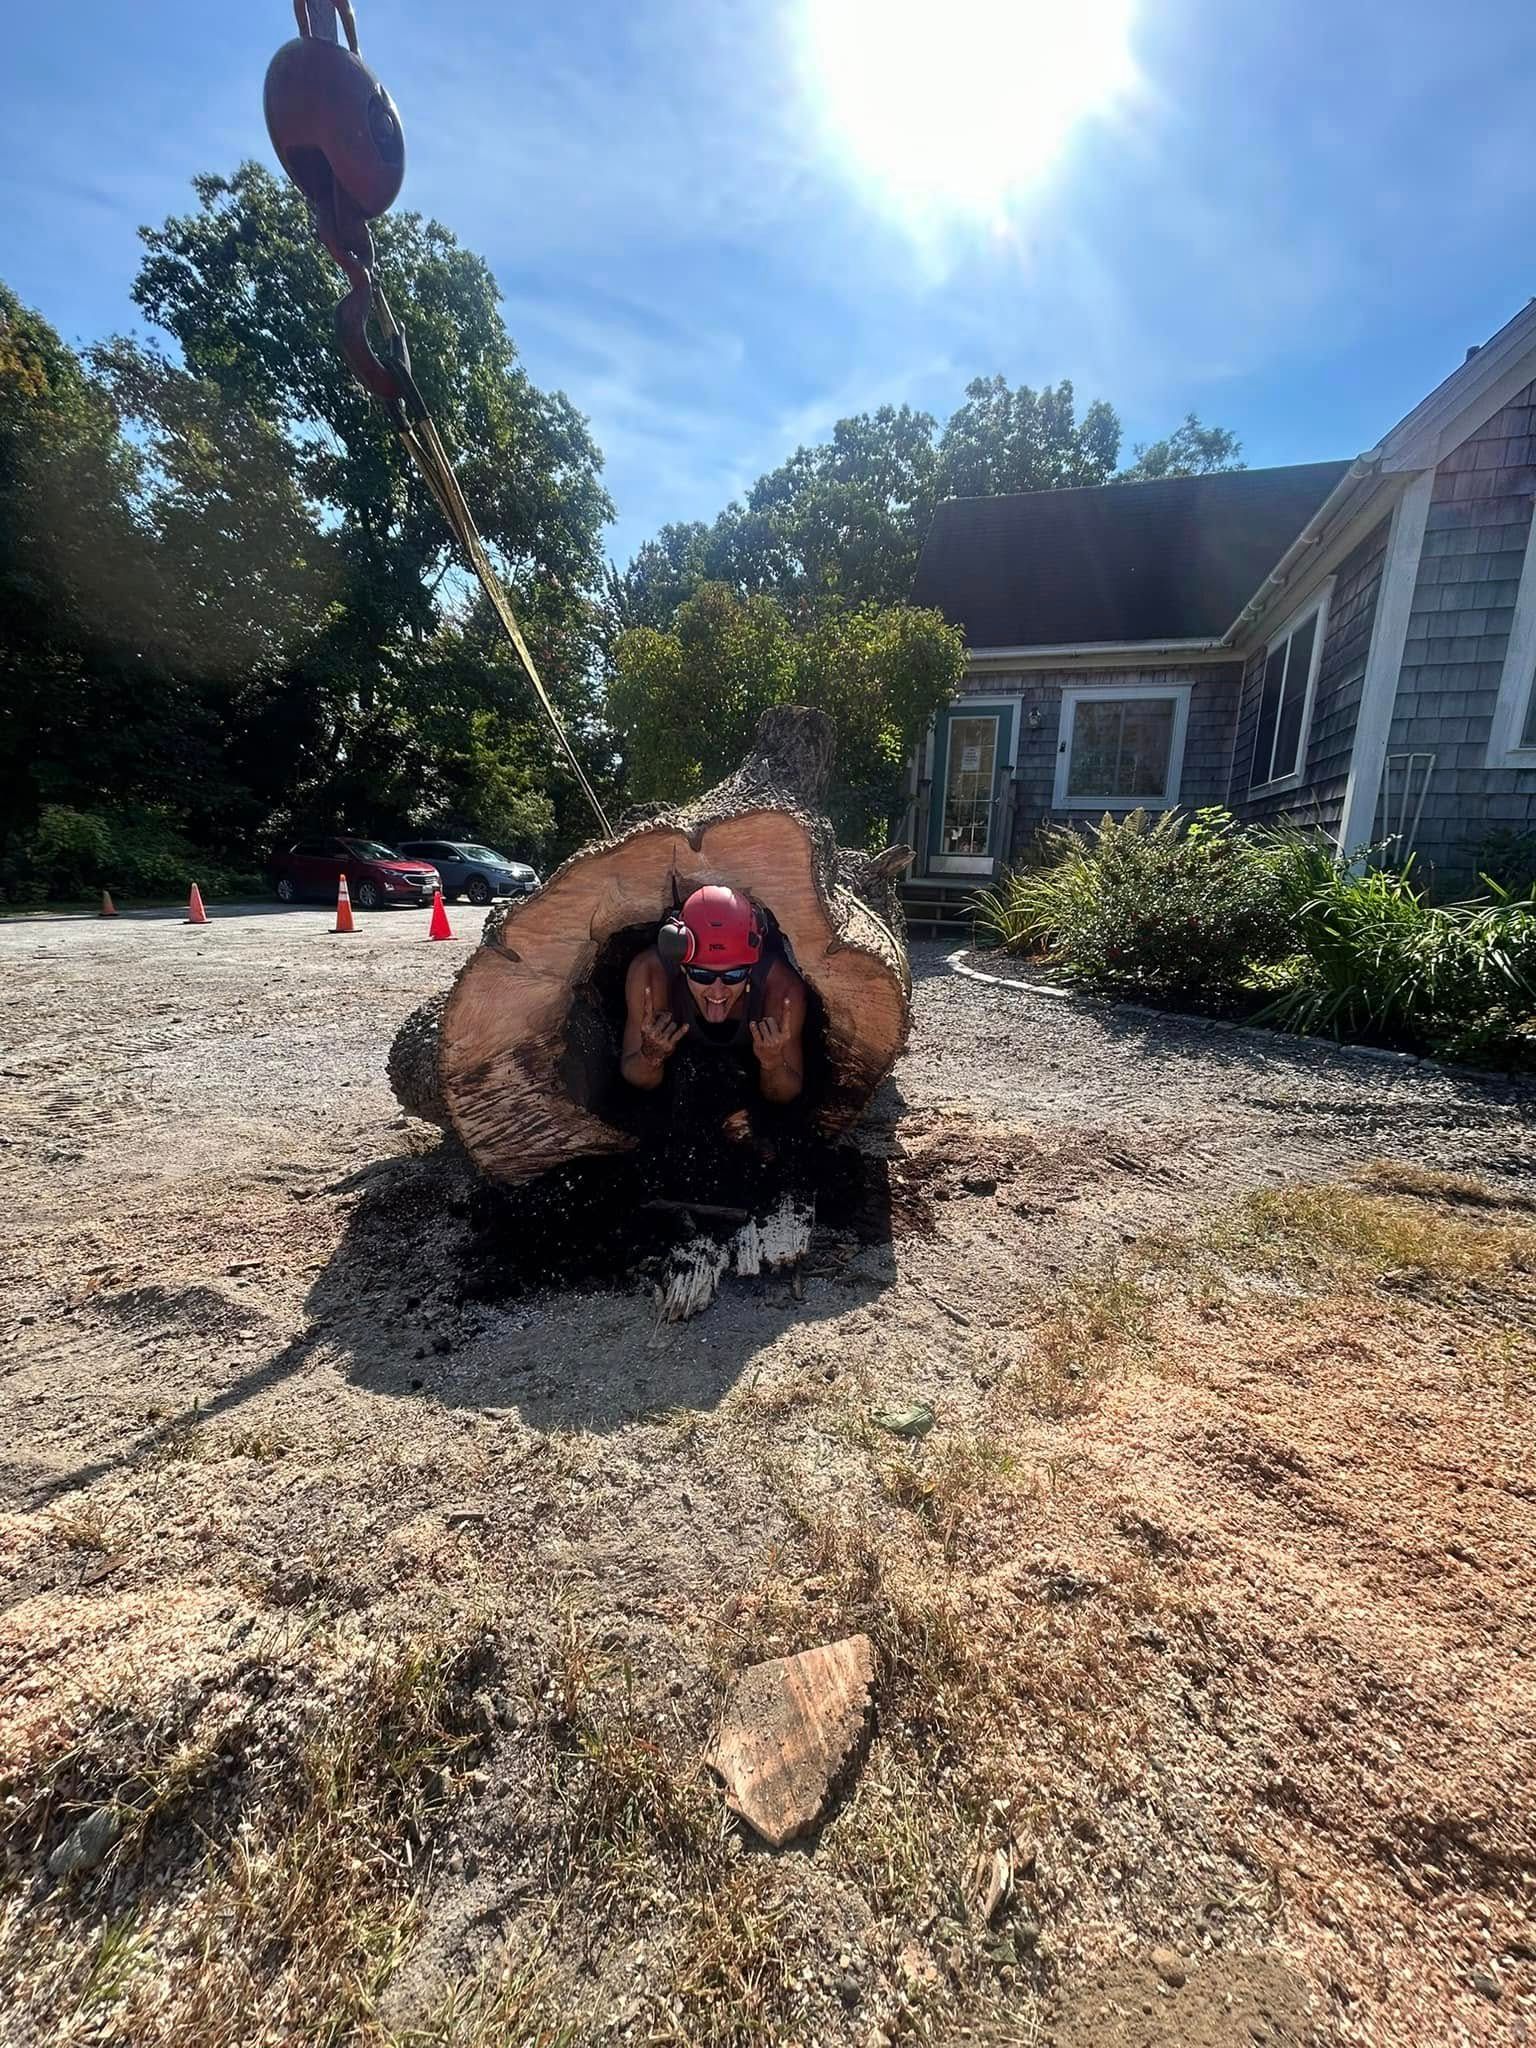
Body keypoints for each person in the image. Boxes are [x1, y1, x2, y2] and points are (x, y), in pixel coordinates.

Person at [620, 885, 806, 1111]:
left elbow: (784, 1097)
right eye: (702, 975)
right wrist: (650, 1056)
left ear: (750, 967)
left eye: (733, 975)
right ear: (683, 966)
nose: (717, 992)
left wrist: (772, 1063)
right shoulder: (650, 974)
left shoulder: (781, 990)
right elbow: (637, 1082)